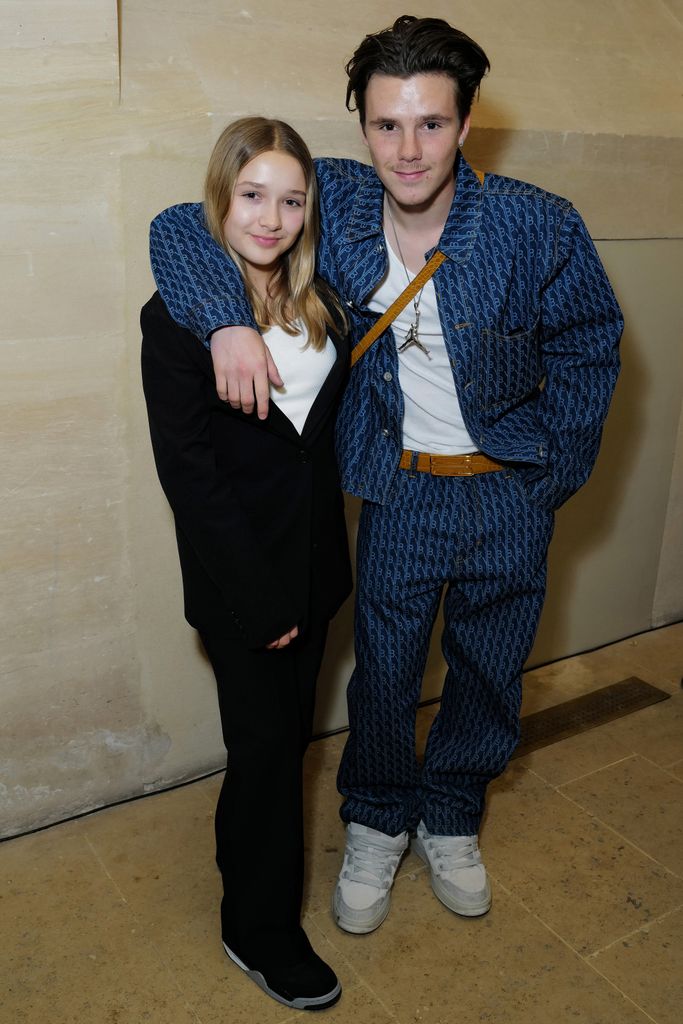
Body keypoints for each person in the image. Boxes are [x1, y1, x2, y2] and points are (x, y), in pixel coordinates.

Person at [147, 16, 623, 937]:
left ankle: (449, 813)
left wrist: (554, 470)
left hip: (510, 491)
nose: (408, 150)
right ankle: (374, 816)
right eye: (385, 125)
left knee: (488, 669)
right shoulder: (338, 205)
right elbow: (182, 223)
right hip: (399, 488)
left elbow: (589, 343)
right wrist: (223, 321)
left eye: (431, 124)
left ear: (466, 122)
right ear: (360, 127)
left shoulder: (536, 224)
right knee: (386, 674)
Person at [141, 116, 351, 1010]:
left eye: (291, 198)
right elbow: (190, 478)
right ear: (221, 197)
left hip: (315, 566)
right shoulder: (179, 316)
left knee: (277, 747)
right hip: (244, 584)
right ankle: (258, 930)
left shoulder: (317, 298)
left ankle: (242, 858)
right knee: (268, 749)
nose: (270, 217)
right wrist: (262, 598)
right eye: (252, 194)